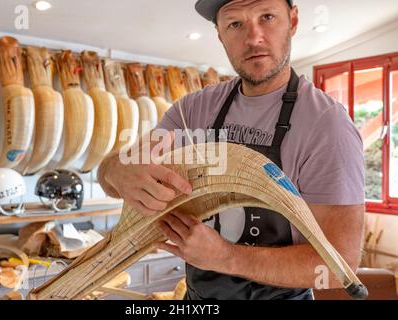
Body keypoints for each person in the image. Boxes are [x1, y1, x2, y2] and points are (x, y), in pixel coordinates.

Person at [98, 0, 365, 300]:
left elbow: (338, 265)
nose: (253, 38)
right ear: (219, 35)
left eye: (267, 17)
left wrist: (226, 257)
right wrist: (115, 171)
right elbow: (114, 175)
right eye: (235, 24)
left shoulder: (326, 126)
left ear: (293, 21)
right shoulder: (192, 111)